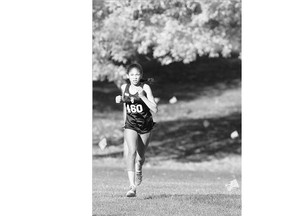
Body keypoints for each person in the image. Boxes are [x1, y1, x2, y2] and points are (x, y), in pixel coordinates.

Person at [115, 63, 158, 197]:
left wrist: (143, 96)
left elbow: (155, 109)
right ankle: (132, 187)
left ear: (141, 76)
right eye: (132, 75)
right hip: (130, 125)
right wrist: (120, 100)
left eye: (137, 74)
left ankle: (139, 169)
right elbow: (125, 106)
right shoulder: (124, 87)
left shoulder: (145, 87)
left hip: (145, 126)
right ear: (128, 76)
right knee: (131, 152)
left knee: (140, 158)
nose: (135, 77)